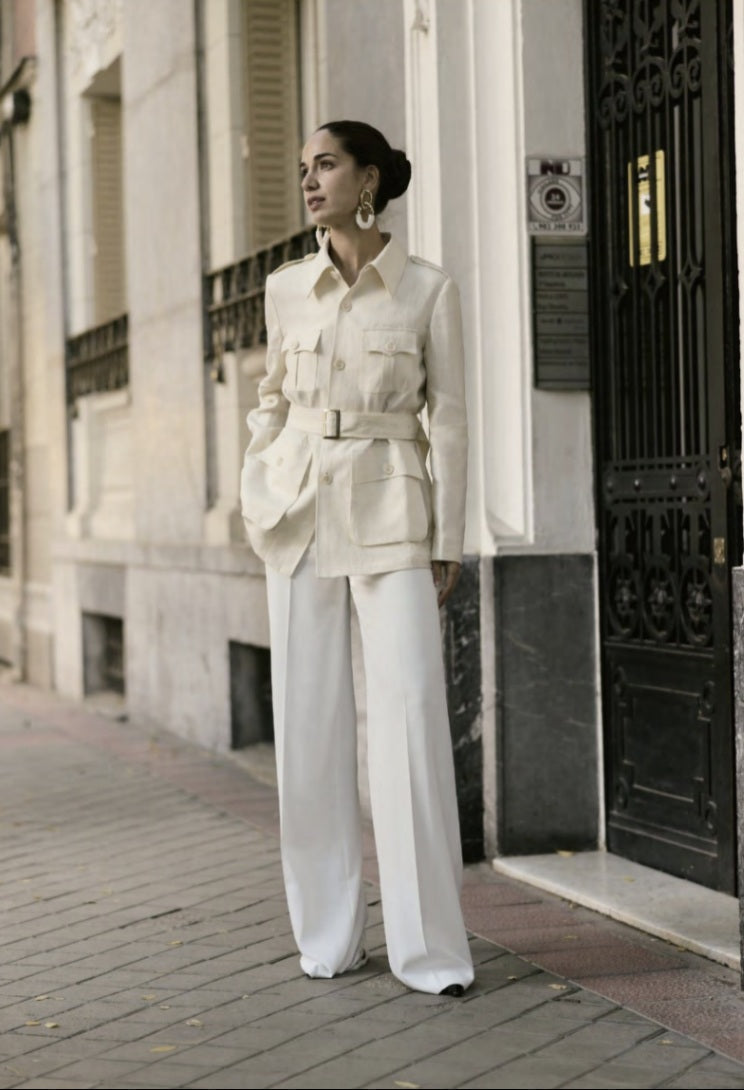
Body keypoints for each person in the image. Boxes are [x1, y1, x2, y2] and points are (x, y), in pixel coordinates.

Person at [240, 119, 474, 997]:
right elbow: (268, 399)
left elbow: (446, 421)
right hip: (296, 513)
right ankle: (329, 938)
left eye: (326, 164)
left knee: (411, 724)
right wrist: (258, 481)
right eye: (304, 167)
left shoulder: (424, 289)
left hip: (392, 513)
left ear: (368, 179)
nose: (310, 180)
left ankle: (431, 953)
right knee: (309, 728)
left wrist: (445, 538)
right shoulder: (286, 288)